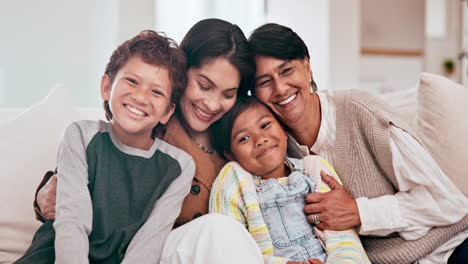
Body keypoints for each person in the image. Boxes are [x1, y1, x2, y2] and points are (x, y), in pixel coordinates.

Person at [31, 19, 263, 263]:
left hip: (174, 250)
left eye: (228, 94)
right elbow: (84, 185)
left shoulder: (237, 138)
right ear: (182, 75)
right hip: (132, 248)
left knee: (221, 229)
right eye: (203, 85)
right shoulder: (145, 123)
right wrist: (43, 196)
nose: (213, 104)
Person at [247, 23, 468, 264]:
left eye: (287, 71)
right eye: (264, 81)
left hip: (450, 249)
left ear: (307, 68)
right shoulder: (273, 151)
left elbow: (448, 202)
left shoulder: (359, 111)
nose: (280, 88)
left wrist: (359, 212)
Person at [16, 30, 195, 264]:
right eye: (132, 81)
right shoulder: (80, 135)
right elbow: (73, 220)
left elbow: (150, 241)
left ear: (168, 112)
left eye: (156, 91)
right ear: (106, 87)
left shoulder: (179, 166)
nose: (141, 97)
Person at [209, 97, 370, 264]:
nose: (260, 140)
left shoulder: (314, 170)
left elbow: (343, 235)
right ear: (229, 154)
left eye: (265, 125)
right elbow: (228, 249)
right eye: (243, 138)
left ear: (283, 129)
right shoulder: (235, 182)